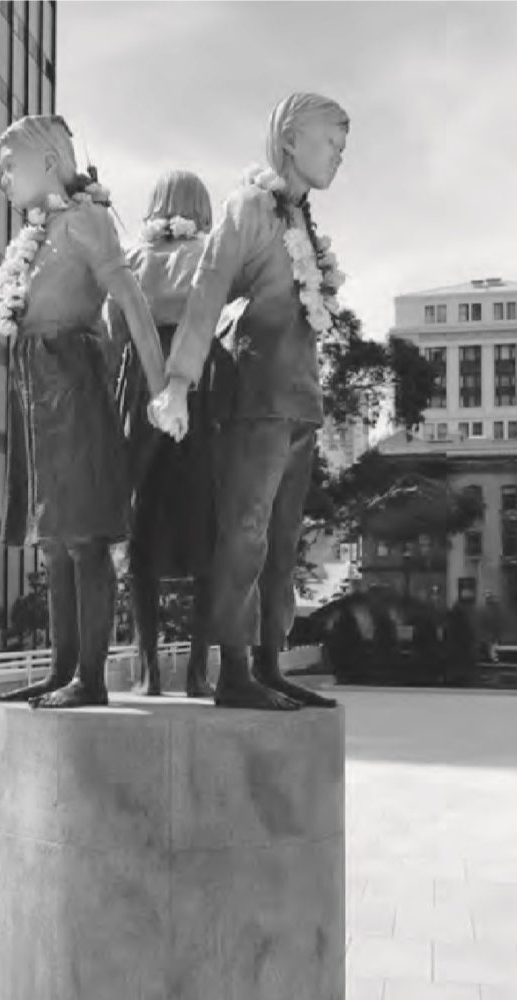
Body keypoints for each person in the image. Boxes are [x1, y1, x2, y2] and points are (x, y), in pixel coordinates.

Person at [151, 93, 349, 711]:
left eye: (343, 148)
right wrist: (179, 381)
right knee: (245, 534)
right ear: (289, 138)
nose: (339, 158)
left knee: (284, 544)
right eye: (330, 143)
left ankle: (269, 663)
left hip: (300, 404)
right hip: (254, 399)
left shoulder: (303, 225)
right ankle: (234, 668)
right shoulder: (249, 208)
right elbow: (209, 288)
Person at [0, 114, 166, 709]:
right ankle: (61, 666)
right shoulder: (38, 232)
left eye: (10, 165)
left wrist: (164, 385)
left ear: (46, 162)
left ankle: (89, 677)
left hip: (72, 379)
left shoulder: (86, 221)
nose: (4, 178)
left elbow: (130, 301)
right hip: (34, 385)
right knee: (54, 540)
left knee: (85, 535)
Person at [107, 170, 218, 698]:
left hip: (142, 389)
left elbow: (113, 326)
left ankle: (148, 667)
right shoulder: (210, 254)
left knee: (140, 521)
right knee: (208, 520)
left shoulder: (132, 259)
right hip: (199, 384)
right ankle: (198, 667)